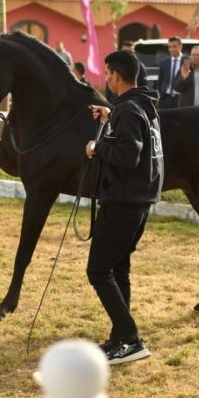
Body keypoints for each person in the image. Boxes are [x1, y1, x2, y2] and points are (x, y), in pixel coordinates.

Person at [85, 49, 163, 365]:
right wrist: (109, 117)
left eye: (107, 74)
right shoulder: (140, 106)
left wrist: (97, 147)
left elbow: (129, 155)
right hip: (140, 200)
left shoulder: (129, 110)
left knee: (98, 270)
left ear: (116, 76)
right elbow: (136, 140)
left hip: (124, 201)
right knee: (118, 268)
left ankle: (130, 337)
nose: (106, 79)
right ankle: (120, 337)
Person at [156, 36, 184, 110]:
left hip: (180, 99)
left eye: (174, 46)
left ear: (180, 47)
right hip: (165, 98)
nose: (171, 49)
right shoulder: (164, 62)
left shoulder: (187, 61)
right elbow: (160, 81)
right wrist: (158, 96)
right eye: (170, 47)